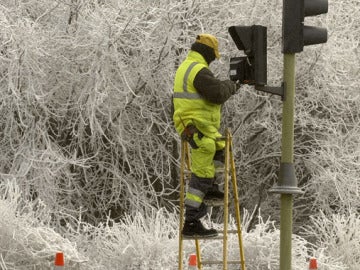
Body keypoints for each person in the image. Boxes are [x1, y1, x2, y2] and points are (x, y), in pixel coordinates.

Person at [172, 34, 240, 238]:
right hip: (196, 127)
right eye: (213, 56)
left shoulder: (189, 67)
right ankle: (191, 222)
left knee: (220, 147)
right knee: (201, 171)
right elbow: (217, 93)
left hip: (198, 126)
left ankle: (211, 187)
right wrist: (233, 84)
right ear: (208, 52)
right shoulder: (197, 70)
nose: (213, 60)